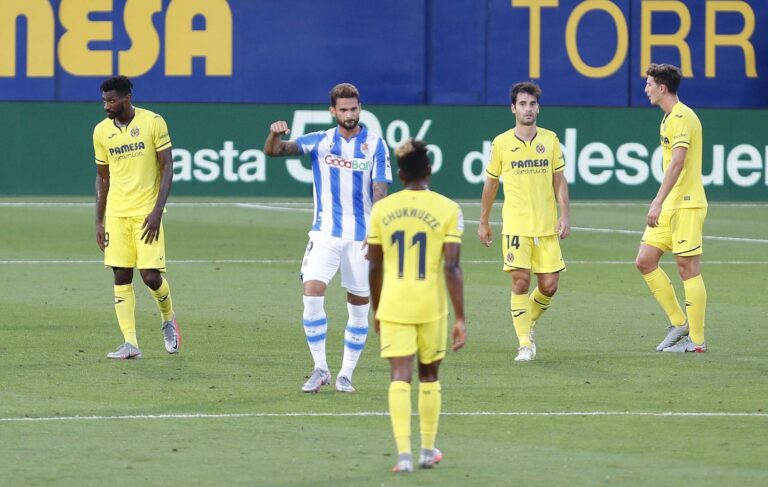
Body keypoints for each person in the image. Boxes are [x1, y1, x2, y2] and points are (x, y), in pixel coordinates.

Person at [263, 83, 392, 392]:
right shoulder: (320, 141)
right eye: (343, 109)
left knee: (358, 304)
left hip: (361, 239)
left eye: (354, 108)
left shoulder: (375, 144)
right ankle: (320, 367)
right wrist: (275, 134)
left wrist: (376, 233)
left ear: (360, 108)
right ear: (333, 111)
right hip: (325, 234)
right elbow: (274, 151)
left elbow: (381, 192)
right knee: (311, 293)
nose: (349, 114)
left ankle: (346, 373)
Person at [368, 139, 466, 473]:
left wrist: (376, 308)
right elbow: (452, 267)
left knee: (399, 375)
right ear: (429, 170)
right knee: (429, 376)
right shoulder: (449, 209)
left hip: (394, 303)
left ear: (399, 174)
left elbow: (374, 266)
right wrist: (461, 318)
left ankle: (403, 455)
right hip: (431, 305)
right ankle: (427, 450)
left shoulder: (381, 210)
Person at [477, 81, 570, 362]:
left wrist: (565, 214)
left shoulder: (550, 140)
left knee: (549, 285)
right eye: (522, 104)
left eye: (532, 104)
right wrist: (483, 221)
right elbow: (491, 184)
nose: (528, 109)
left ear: (538, 108)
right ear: (513, 108)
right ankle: (524, 344)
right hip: (516, 224)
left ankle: (525, 321)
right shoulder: (501, 143)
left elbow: (559, 180)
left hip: (546, 225)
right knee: (520, 282)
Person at [94, 75, 181, 359]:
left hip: (146, 212)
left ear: (127, 98)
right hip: (117, 214)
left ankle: (168, 318)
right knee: (121, 275)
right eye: (104, 100)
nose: (106, 105)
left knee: (150, 276)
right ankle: (130, 343)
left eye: (111, 100)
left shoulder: (153, 122)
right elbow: (102, 178)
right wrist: (99, 219)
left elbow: (167, 167)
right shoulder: (100, 132)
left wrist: (157, 210)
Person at [637, 63, 708, 353]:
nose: (646, 89)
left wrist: (657, 200)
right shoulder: (667, 119)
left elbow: (678, 162)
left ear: (662, 88)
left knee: (687, 268)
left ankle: (698, 341)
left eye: (649, 84)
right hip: (671, 205)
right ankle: (680, 323)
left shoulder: (682, 117)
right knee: (645, 260)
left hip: (686, 204)